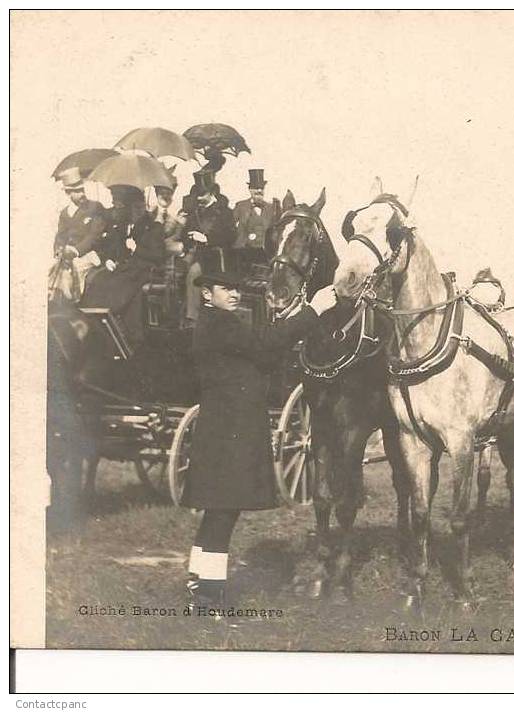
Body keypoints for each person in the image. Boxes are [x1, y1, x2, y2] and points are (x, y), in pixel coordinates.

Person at [183, 271, 338, 613]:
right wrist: (313, 311)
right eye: (226, 288)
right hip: (228, 429)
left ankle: (197, 580)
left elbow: (261, 354)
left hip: (223, 427)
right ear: (207, 293)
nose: (235, 293)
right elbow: (265, 345)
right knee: (223, 513)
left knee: (218, 510)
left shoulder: (218, 322)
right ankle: (208, 600)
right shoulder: (221, 323)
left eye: (237, 286)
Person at [79, 185, 167, 344]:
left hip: (143, 270)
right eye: (133, 208)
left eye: (139, 208)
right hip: (124, 269)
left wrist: (136, 249)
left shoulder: (153, 227)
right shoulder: (121, 226)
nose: (136, 212)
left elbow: (158, 255)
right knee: (100, 279)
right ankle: (96, 321)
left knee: (117, 284)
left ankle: (112, 319)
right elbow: (111, 249)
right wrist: (109, 259)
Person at [181, 171, 236, 325]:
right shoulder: (195, 213)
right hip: (199, 255)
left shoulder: (225, 212)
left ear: (211, 193)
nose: (198, 198)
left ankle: (196, 318)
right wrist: (190, 238)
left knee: (195, 273)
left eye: (202, 194)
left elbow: (231, 236)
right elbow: (185, 234)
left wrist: (206, 239)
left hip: (220, 257)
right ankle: (191, 316)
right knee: (188, 272)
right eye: (197, 195)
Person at [50, 168, 108, 298]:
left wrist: (75, 251)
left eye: (82, 189)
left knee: (76, 268)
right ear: (68, 193)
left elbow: (94, 236)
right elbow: (60, 236)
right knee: (53, 270)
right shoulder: (65, 213)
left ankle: (77, 303)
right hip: (69, 254)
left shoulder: (95, 207)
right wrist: (59, 251)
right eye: (77, 191)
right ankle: (59, 303)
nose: (82, 194)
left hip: (90, 254)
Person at [232, 169, 280, 257]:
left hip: (265, 254)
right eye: (255, 188)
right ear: (250, 189)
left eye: (261, 188)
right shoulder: (241, 206)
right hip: (243, 252)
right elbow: (230, 226)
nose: (259, 190)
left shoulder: (271, 208)